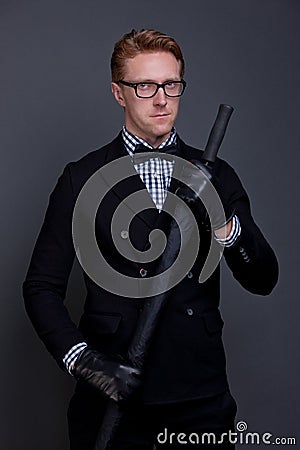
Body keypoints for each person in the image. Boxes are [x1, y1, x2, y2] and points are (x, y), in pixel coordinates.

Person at [23, 29, 279, 449]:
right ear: (118, 93)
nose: (161, 98)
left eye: (171, 84)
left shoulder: (217, 175)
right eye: (144, 85)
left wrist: (223, 224)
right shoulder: (80, 178)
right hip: (113, 398)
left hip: (200, 401)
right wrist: (86, 362)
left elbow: (264, 278)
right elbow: (40, 288)